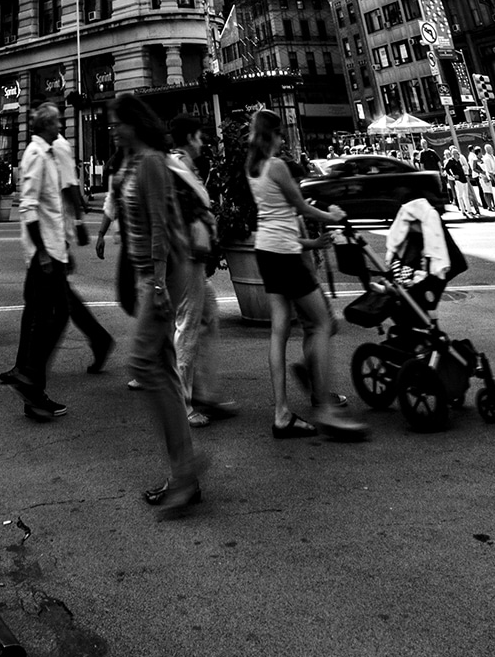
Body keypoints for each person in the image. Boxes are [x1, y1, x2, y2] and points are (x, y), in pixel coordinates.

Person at [247, 108, 367, 440]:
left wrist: (312, 239)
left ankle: (282, 413)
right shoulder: (277, 165)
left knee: (279, 330)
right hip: (285, 255)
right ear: (272, 134)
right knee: (324, 323)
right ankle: (326, 411)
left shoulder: (252, 167)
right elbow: (300, 206)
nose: (284, 139)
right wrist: (333, 215)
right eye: (281, 133)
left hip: (266, 251)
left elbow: (278, 213)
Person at [110, 93, 201, 515]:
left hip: (161, 275)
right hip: (150, 274)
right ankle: (184, 474)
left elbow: (162, 226)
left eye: (118, 122)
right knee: (160, 368)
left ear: (134, 124)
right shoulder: (135, 162)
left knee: (144, 365)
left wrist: (160, 283)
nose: (113, 128)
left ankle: (186, 469)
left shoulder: (150, 162)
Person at [1, 100, 72, 418]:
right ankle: (29, 378)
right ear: (44, 126)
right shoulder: (36, 156)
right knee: (55, 316)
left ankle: (30, 384)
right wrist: (44, 252)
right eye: (56, 122)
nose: (61, 125)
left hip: (52, 249)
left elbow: (49, 207)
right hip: (45, 255)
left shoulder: (45, 153)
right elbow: (28, 206)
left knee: (40, 316)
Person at [167, 114, 238, 427]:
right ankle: (183, 403)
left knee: (208, 315)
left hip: (191, 257)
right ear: (189, 137)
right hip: (186, 257)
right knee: (188, 326)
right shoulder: (176, 167)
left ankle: (204, 394)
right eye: (199, 137)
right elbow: (181, 213)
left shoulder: (183, 166)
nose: (203, 143)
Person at [51, 108, 116, 374]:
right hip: (48, 230)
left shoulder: (59, 146)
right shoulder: (42, 146)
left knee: (54, 297)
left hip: (56, 231)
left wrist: (78, 223)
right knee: (55, 296)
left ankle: (30, 366)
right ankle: (99, 339)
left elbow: (70, 186)